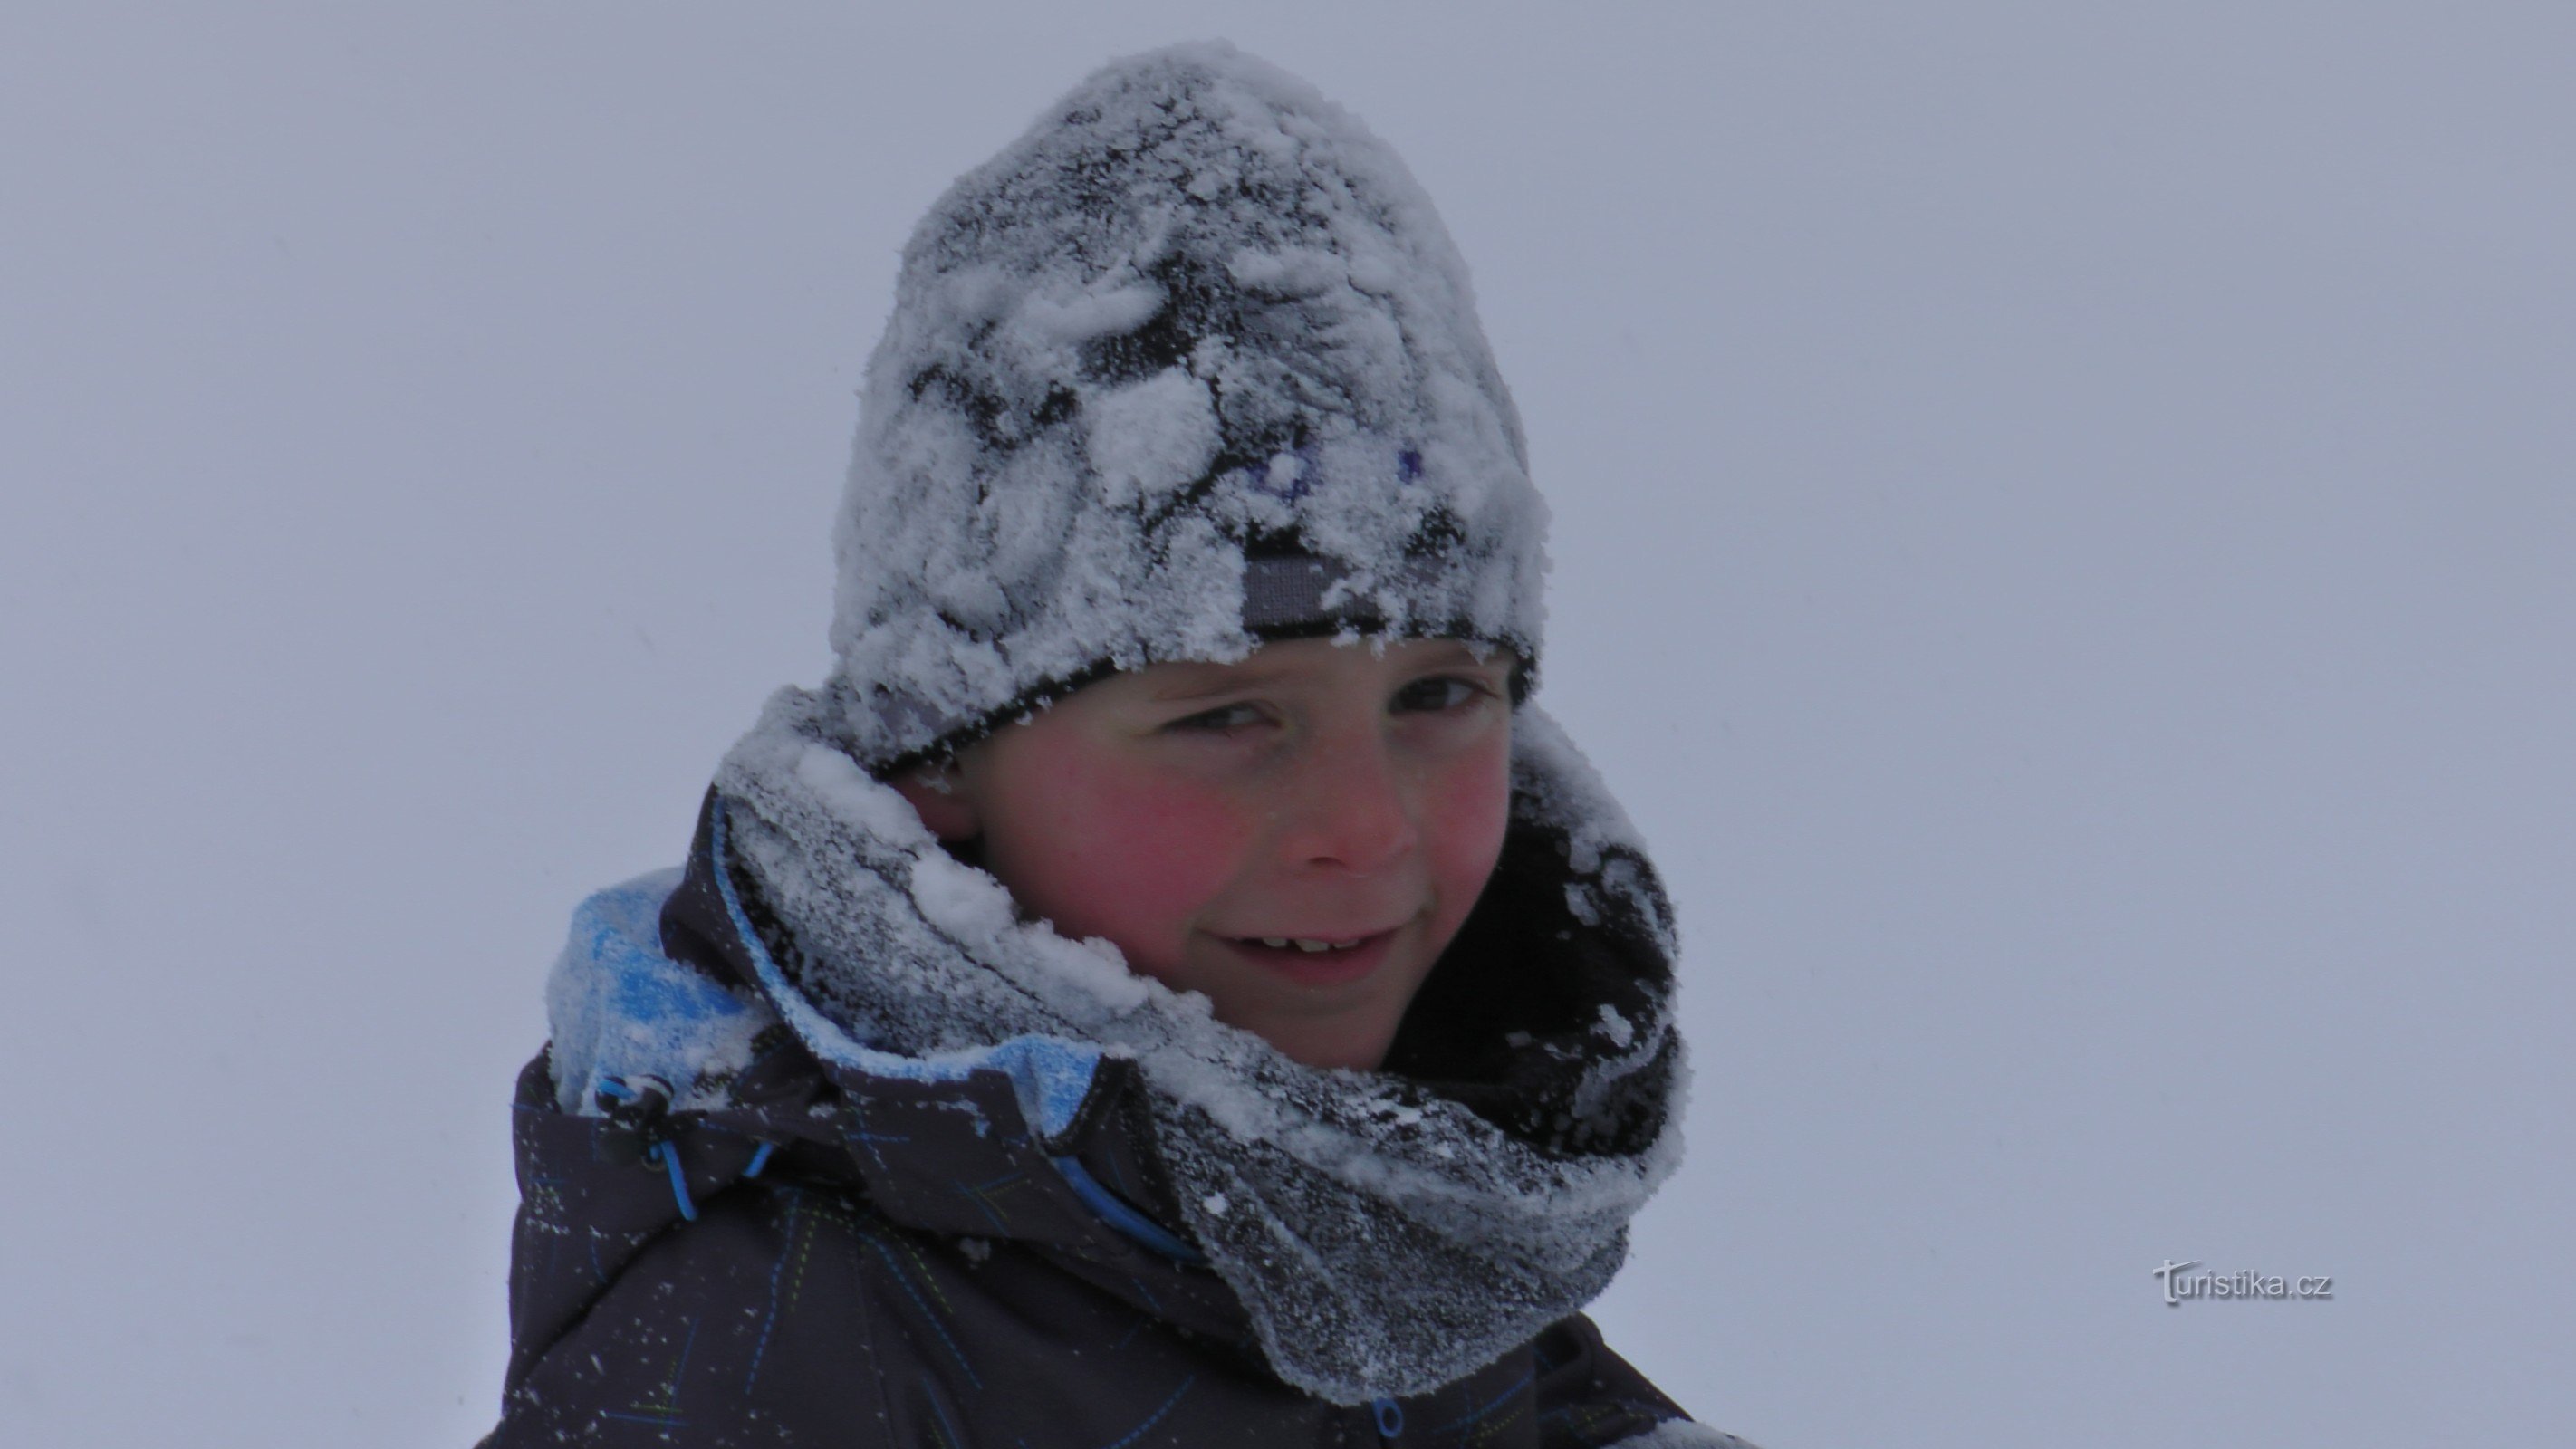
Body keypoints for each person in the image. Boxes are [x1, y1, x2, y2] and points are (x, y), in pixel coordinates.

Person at [481, 42, 1755, 1449]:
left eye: (1439, 697)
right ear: (943, 753)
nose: (1371, 826)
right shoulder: (782, 1365)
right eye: (1229, 716)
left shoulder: (1403, 1226)